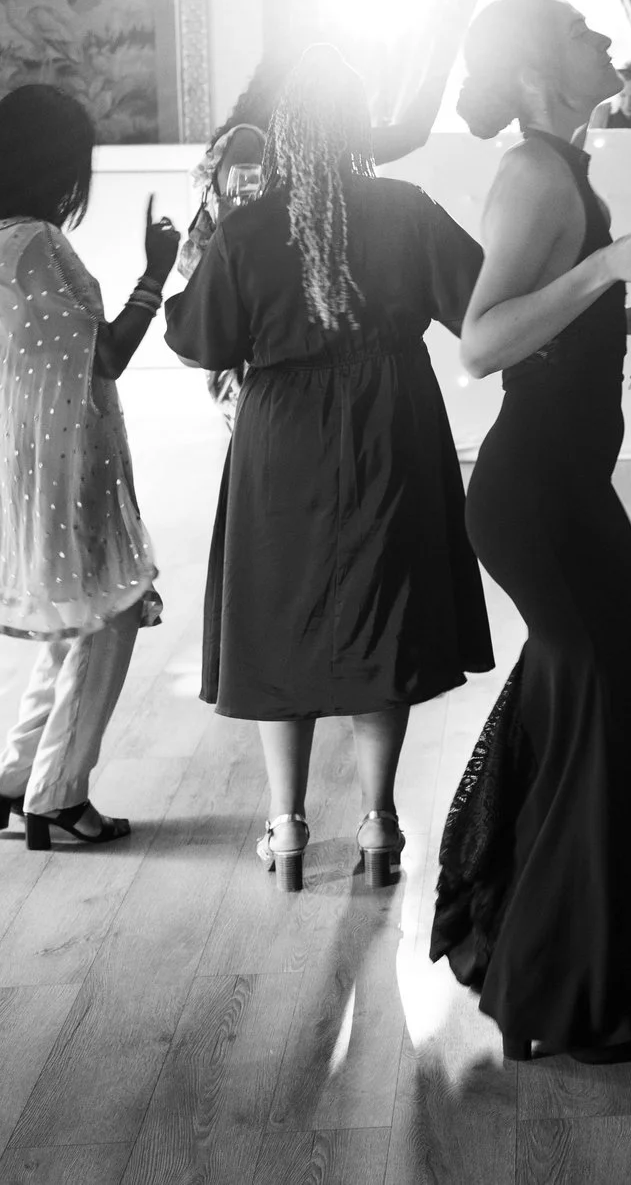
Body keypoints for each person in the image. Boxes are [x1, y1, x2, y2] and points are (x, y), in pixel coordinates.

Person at [431, 0, 631, 1065]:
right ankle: (564, 988)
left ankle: (526, 949)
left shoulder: (565, 166)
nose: (606, 43)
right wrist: (605, 266)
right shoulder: (536, 173)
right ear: (543, 67)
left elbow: (560, 325)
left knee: (597, 705)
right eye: (585, 33)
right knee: (605, 708)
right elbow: (481, 342)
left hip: (564, 483)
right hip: (534, 491)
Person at [164, 47, 491, 892]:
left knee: (281, 616)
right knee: (385, 611)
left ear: (282, 134)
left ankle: (286, 825)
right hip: (394, 421)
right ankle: (379, 819)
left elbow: (201, 339)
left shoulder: (248, 229)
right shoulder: (406, 210)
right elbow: (480, 305)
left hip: (283, 434)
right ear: (359, 129)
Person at [0, 84, 173, 852]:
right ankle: (59, 794)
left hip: (9, 452)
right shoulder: (35, 244)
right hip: (58, 457)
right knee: (111, 613)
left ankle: (16, 778)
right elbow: (107, 355)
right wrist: (156, 273)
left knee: (75, 610)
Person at [177, 49, 444, 423]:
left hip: (276, 321)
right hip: (246, 319)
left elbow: (410, 136)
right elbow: (240, 227)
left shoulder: (312, 150)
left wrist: (443, 53)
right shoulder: (249, 143)